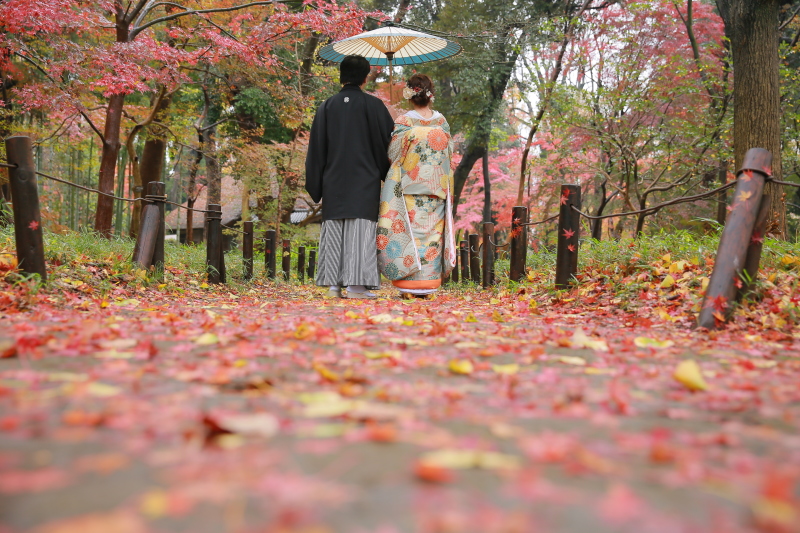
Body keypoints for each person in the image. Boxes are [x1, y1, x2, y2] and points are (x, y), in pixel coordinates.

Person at [305, 55, 395, 299]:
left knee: (335, 230)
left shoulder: (327, 106)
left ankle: (334, 286)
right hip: (364, 180)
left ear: (341, 76)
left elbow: (316, 148)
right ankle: (356, 287)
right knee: (360, 231)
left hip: (333, 179)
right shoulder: (374, 106)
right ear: (366, 78)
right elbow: (388, 144)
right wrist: (389, 174)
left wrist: (317, 182)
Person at [377, 74, 456, 299]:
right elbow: (449, 154)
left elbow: (393, 155)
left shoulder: (404, 121)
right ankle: (429, 285)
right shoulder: (441, 122)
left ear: (410, 95)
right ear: (430, 96)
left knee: (409, 234)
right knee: (433, 235)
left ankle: (408, 286)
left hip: (409, 187)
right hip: (436, 188)